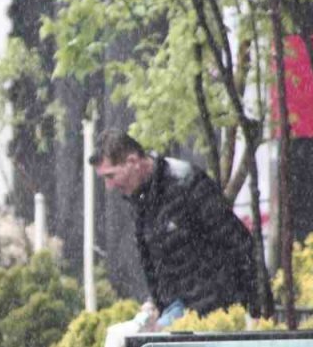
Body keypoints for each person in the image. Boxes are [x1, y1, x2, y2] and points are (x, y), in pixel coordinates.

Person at [91, 129, 256, 328]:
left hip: (213, 306)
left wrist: (255, 307)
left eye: (111, 175)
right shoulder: (141, 196)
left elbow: (238, 242)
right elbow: (153, 264)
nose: (109, 186)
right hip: (180, 307)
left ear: (133, 162)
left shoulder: (186, 183)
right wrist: (155, 304)